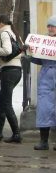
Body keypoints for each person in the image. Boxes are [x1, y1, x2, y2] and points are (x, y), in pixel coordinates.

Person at [0, 14, 22, 143]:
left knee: (5, 102)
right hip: (16, 71)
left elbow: (7, 50)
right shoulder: (14, 33)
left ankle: (16, 134)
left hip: (9, 71)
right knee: (0, 100)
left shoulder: (5, 33)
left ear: (1, 23)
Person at [33, 15, 56, 150]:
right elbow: (38, 60)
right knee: (44, 110)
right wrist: (30, 54)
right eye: (48, 26)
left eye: (52, 26)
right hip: (46, 79)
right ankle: (43, 141)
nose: (50, 28)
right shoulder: (43, 42)